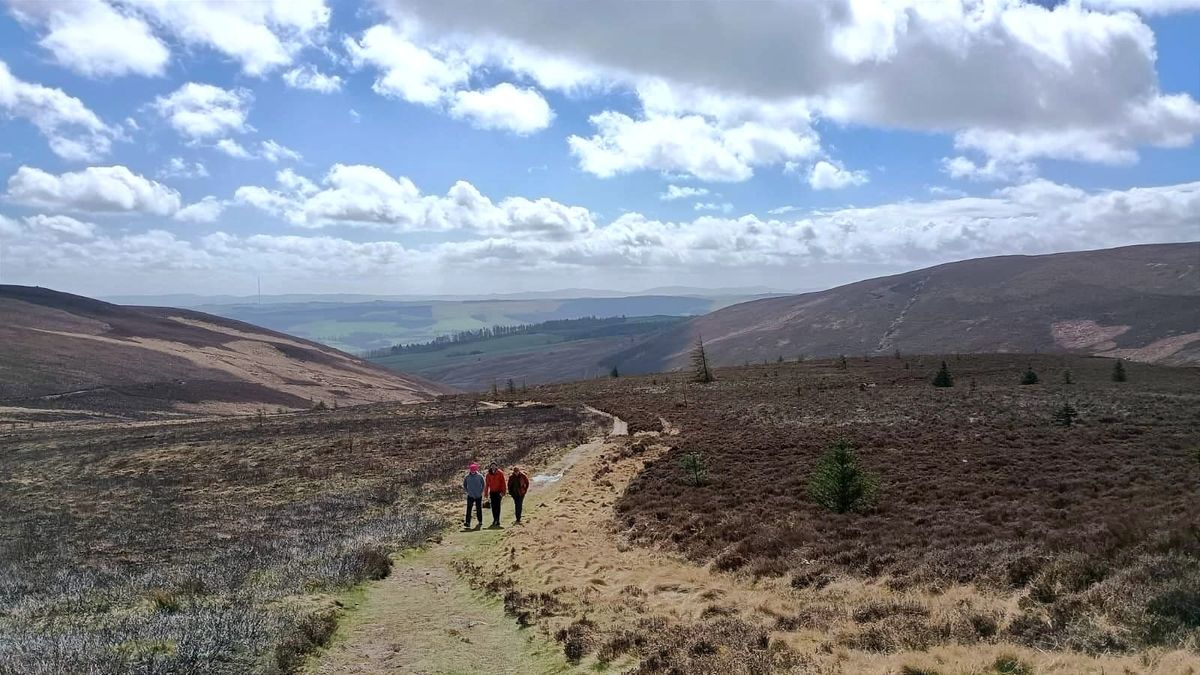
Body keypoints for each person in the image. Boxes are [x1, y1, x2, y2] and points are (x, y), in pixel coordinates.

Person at [483, 463, 507, 528]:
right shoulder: (488, 474)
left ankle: (498, 520)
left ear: (496, 466)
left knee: (498, 506)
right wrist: (486, 493)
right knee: (493, 507)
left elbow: (503, 483)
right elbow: (487, 484)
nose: (493, 467)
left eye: (494, 466)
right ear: (490, 467)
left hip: (499, 492)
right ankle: (494, 519)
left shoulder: (500, 473)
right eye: (492, 466)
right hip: (492, 492)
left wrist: (503, 492)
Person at [463, 463, 484, 530]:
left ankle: (480, 521)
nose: (472, 471)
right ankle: (467, 522)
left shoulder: (480, 476)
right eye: (471, 470)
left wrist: (481, 492)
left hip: (478, 495)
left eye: (474, 470)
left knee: (479, 509)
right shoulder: (467, 477)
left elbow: (483, 484)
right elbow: (464, 485)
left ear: (476, 470)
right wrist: (468, 491)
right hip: (470, 495)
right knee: (469, 509)